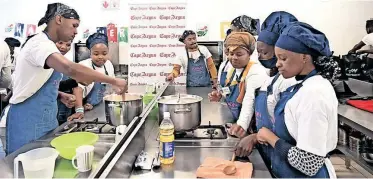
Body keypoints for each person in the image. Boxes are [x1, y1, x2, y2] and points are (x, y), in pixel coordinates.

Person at [6, 3, 127, 154]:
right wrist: (114, 81)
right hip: (28, 121)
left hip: (47, 119)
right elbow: (70, 69)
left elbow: (35, 83)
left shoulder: (48, 46)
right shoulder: (39, 44)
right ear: (59, 19)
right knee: (23, 169)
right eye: (74, 25)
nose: (76, 31)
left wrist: (60, 95)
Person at [236, 22, 339, 178]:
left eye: (283, 58)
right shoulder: (300, 86)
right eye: (277, 58)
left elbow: (308, 163)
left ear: (304, 57)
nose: (277, 64)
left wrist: (269, 137)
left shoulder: (314, 93)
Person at [235, 11, 299, 168]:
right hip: (275, 158)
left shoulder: (293, 83)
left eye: (265, 52)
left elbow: (294, 138)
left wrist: (257, 136)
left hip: (292, 165)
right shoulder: (273, 78)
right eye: (259, 53)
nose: (262, 57)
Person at [208, 32, 268, 137]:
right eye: (231, 54)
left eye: (239, 54)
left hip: (253, 128)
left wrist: (242, 125)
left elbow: (250, 100)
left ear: (249, 53)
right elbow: (227, 88)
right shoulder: (229, 68)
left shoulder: (255, 71)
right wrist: (220, 95)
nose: (234, 58)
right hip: (235, 121)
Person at [68, 33, 115, 120]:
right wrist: (79, 110)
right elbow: (77, 89)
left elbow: (111, 85)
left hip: (93, 106)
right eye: (96, 54)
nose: (101, 57)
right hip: (79, 105)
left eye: (104, 54)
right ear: (90, 53)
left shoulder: (108, 65)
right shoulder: (83, 66)